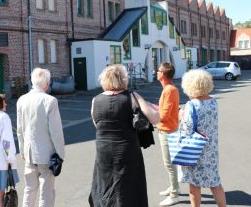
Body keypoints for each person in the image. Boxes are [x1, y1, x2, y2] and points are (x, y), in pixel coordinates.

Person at [89, 64, 159, 207]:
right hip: (127, 149)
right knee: (128, 186)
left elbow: (97, 123)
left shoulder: (96, 99)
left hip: (104, 149)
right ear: (124, 79)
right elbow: (155, 119)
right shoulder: (132, 96)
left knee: (106, 183)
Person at [16, 68, 65, 207]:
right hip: (47, 153)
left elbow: (19, 129)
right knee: (46, 191)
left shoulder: (21, 100)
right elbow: (56, 131)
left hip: (29, 151)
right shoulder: (50, 101)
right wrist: (61, 153)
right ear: (47, 84)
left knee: (29, 189)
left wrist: (22, 150)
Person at [178, 69, 226, 207]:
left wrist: (181, 116)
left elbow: (186, 129)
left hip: (195, 151)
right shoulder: (213, 102)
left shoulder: (192, 105)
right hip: (211, 150)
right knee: (215, 183)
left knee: (194, 185)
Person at [156, 62, 181, 206]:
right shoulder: (168, 89)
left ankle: (174, 194)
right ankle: (173, 187)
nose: (156, 72)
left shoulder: (169, 90)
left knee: (169, 164)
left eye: (158, 70)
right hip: (167, 129)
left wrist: (151, 115)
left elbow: (164, 115)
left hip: (168, 130)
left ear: (163, 74)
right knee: (170, 163)